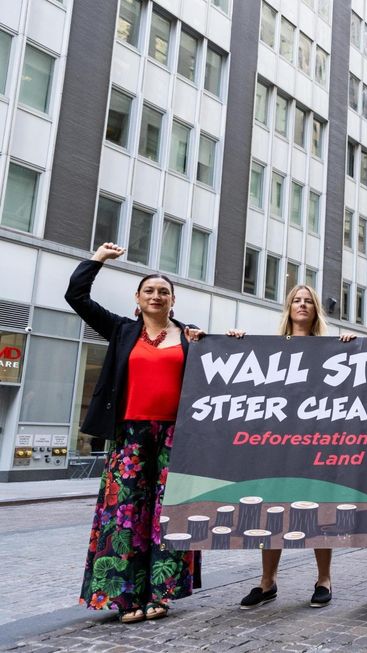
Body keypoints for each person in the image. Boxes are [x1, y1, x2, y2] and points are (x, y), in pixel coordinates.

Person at [68, 243, 227, 623]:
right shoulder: (122, 331)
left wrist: (229, 337)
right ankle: (125, 597)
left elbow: (227, 369)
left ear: (173, 301)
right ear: (137, 299)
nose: (157, 296)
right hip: (130, 436)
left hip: (178, 437)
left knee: (171, 514)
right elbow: (76, 296)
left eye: (164, 292)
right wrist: (98, 259)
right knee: (124, 513)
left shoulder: (192, 337)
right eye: (150, 291)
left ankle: (162, 593)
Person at [240, 285, 334, 610]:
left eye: (309, 301)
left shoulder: (329, 350)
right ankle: (268, 582)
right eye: (297, 300)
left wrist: (348, 347)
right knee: (273, 509)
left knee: (318, 509)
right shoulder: (272, 347)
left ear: (316, 309)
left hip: (315, 442)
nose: (303, 305)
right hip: (278, 444)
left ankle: (324, 579)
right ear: (289, 306)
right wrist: (233, 344)